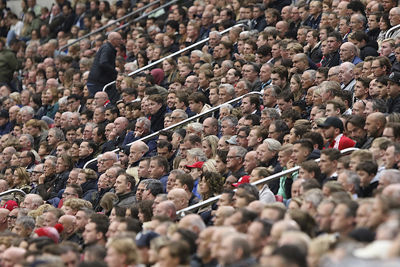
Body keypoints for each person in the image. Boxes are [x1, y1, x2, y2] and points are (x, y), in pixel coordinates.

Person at [87, 32, 122, 97]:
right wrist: (115, 72)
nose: (121, 41)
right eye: (119, 39)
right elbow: (103, 63)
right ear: (113, 40)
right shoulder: (107, 48)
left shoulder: (107, 47)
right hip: (98, 82)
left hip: (97, 80)